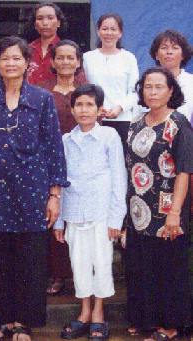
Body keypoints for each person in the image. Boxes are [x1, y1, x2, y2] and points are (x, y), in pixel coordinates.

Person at [0, 36, 69, 341]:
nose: (10, 63)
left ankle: (23, 323)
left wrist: (54, 195)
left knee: (30, 260)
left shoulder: (42, 99)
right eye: (4, 58)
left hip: (31, 192)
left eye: (16, 58)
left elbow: (53, 149)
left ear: (27, 63)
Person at [54, 84, 127, 340]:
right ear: (72, 109)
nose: (84, 110)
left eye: (89, 105)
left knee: (102, 263)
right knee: (79, 263)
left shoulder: (109, 137)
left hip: (102, 213)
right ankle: (84, 312)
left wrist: (117, 217)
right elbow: (59, 181)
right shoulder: (65, 140)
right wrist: (59, 222)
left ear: (99, 110)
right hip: (74, 212)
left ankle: (98, 312)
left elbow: (119, 178)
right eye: (79, 105)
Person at [125, 67, 193, 340]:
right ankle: (147, 320)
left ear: (171, 91)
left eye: (158, 87)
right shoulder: (136, 122)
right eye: (147, 87)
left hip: (168, 209)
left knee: (170, 269)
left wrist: (175, 212)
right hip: (139, 208)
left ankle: (174, 324)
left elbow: (185, 171)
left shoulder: (178, 124)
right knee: (143, 267)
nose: (152, 92)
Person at [39, 39, 86, 296]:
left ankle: (80, 273)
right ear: (53, 61)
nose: (66, 62)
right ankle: (56, 274)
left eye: (71, 57)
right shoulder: (42, 90)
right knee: (54, 215)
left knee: (79, 217)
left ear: (78, 61)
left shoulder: (87, 90)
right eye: (61, 57)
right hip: (49, 161)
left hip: (82, 161)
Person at [83, 13, 139, 152]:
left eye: (113, 29)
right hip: (93, 119)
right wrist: (96, 109)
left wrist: (119, 108)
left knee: (120, 162)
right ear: (98, 31)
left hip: (122, 120)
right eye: (105, 28)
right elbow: (83, 88)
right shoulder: (87, 57)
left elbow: (135, 91)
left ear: (120, 33)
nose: (108, 33)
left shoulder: (129, 58)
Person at [149, 29, 193, 122]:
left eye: (175, 48)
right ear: (156, 54)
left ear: (183, 55)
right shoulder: (147, 82)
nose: (169, 52)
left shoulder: (191, 82)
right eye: (164, 48)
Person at [27, 2, 65, 85]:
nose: (45, 23)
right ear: (35, 25)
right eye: (40, 18)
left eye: (50, 18)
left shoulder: (67, 51)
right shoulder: (26, 50)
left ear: (58, 23)